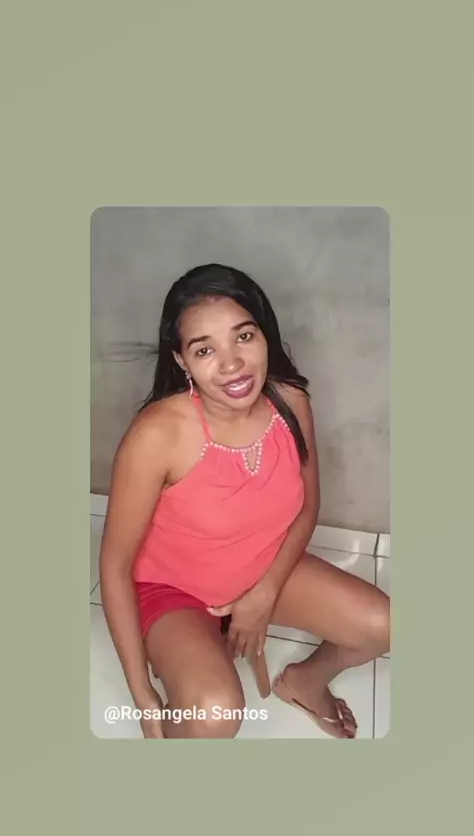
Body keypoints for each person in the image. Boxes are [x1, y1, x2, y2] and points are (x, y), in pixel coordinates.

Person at [99, 263, 390, 740]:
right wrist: (145, 698)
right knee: (213, 712)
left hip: (262, 567)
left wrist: (264, 593)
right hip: (174, 591)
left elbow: (308, 507)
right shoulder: (157, 435)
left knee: (384, 624)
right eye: (204, 349)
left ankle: (305, 682)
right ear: (181, 361)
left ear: (264, 335)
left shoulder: (290, 401)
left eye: (244, 336)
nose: (232, 364)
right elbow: (114, 566)